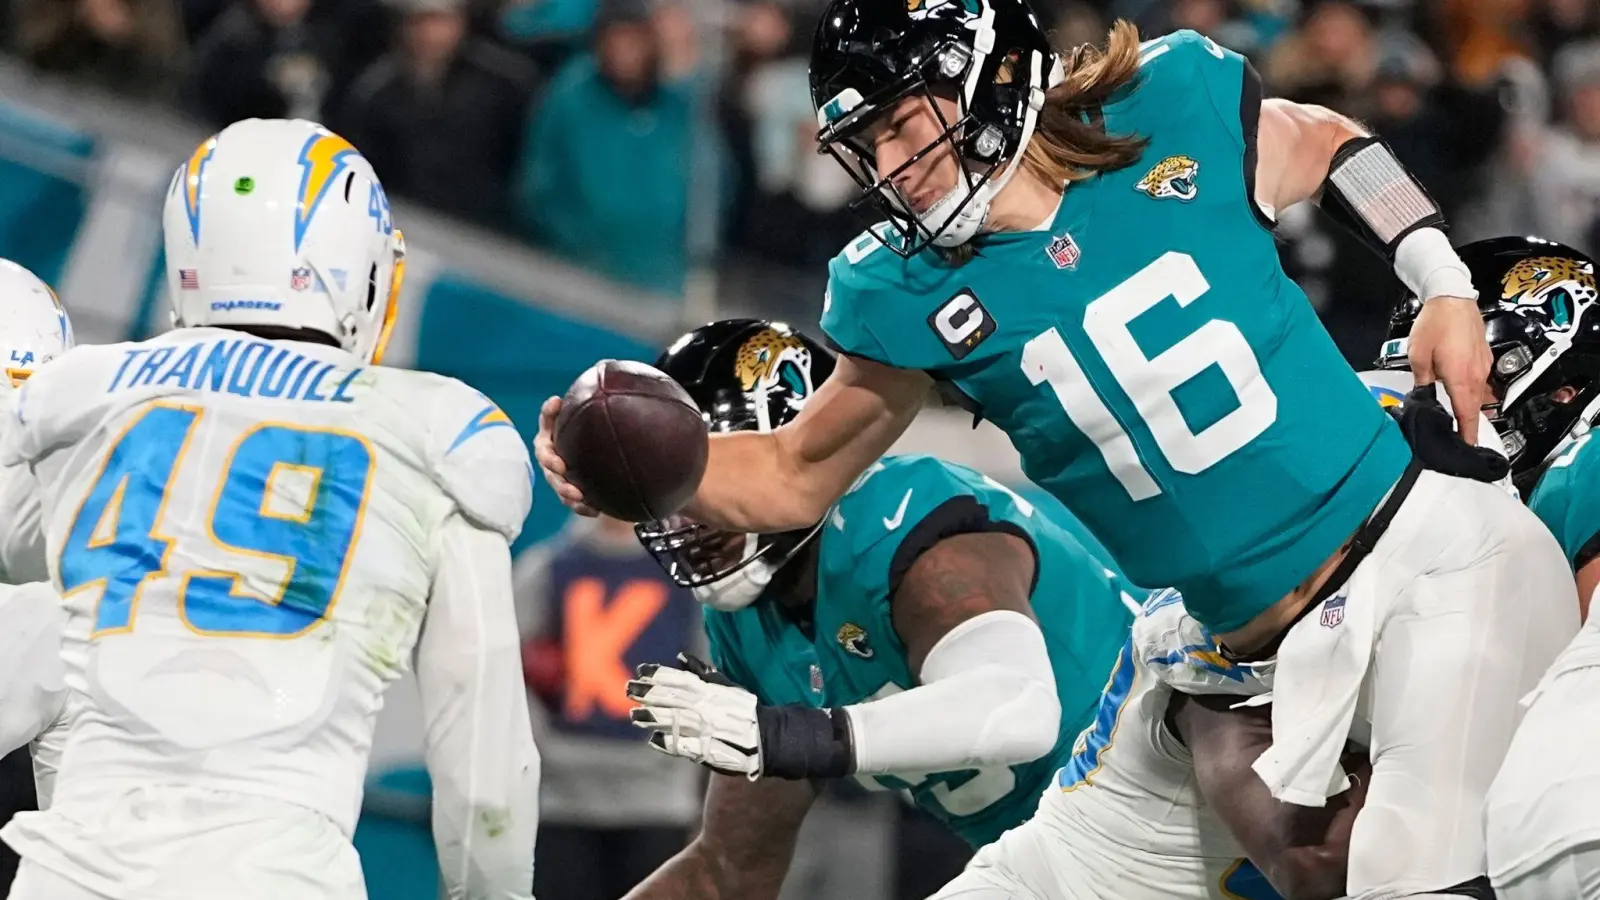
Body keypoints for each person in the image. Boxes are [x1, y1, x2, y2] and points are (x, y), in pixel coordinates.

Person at [536, 12, 1578, 899]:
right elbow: (792, 473)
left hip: (1418, 559)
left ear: (984, 72)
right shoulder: (896, 291)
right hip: (1219, 647)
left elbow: (1328, 140)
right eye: (869, 142)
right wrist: (643, 473)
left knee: (1403, 876)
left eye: (904, 121)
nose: (892, 164)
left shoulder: (1167, 102)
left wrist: (1438, 273)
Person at [0, 118, 540, 900]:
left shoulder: (82, 397)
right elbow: (486, 775)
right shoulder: (437, 433)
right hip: (278, 875)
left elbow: (24, 563)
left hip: (71, 876)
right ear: (351, 259)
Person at [617, 318, 1137, 896]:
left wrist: (790, 736)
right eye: (673, 489)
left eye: (712, 474)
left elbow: (1016, 707)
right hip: (1060, 858)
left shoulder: (897, 519)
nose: (686, 516)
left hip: (1169, 801)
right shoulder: (747, 620)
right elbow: (725, 872)